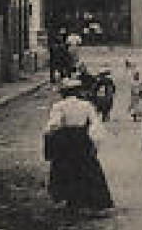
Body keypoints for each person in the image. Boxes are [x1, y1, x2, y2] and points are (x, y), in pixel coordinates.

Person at [43, 80, 114, 211]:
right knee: (87, 167)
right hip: (82, 139)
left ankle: (70, 198)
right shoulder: (86, 105)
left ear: (64, 93)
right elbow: (95, 124)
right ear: (78, 92)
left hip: (66, 140)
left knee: (66, 167)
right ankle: (89, 199)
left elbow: (54, 124)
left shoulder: (59, 106)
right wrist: (95, 142)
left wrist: (50, 135)